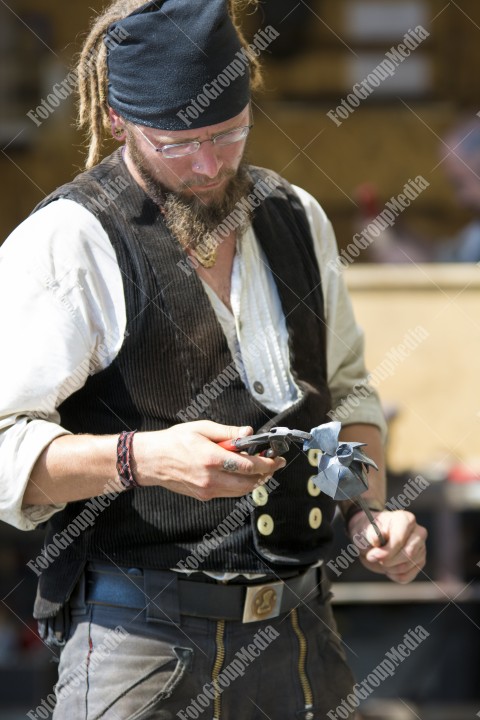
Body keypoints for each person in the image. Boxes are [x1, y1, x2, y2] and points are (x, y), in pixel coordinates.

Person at [0, 1, 427, 718]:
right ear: (115, 119)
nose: (206, 165)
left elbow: (346, 394)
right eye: (176, 143)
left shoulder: (296, 216)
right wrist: (142, 459)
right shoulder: (67, 243)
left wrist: (368, 510)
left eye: (228, 134)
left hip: (301, 636)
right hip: (140, 640)